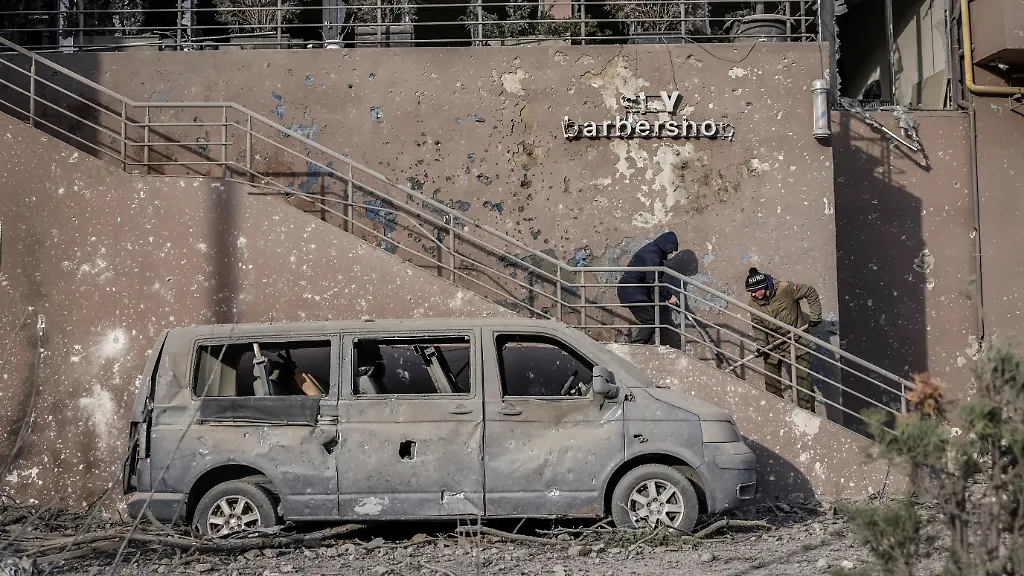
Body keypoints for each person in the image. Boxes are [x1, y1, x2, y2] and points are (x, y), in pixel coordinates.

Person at [744, 267, 822, 412]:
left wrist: (815, 316)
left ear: (763, 287)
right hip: (774, 344)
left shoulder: (785, 288)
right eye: (751, 292)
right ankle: (779, 415)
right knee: (771, 385)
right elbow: (758, 326)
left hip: (798, 341)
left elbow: (810, 291)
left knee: (803, 387)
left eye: (755, 291)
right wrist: (761, 345)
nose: (753, 294)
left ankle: (808, 416)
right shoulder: (753, 303)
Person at [617, 232, 680, 345]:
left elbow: (652, 278)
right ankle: (636, 346)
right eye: (671, 250)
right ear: (666, 245)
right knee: (650, 320)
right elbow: (653, 279)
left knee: (651, 319)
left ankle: (638, 344)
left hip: (634, 290)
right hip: (632, 290)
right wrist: (669, 296)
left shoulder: (653, 252)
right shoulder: (652, 254)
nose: (671, 253)